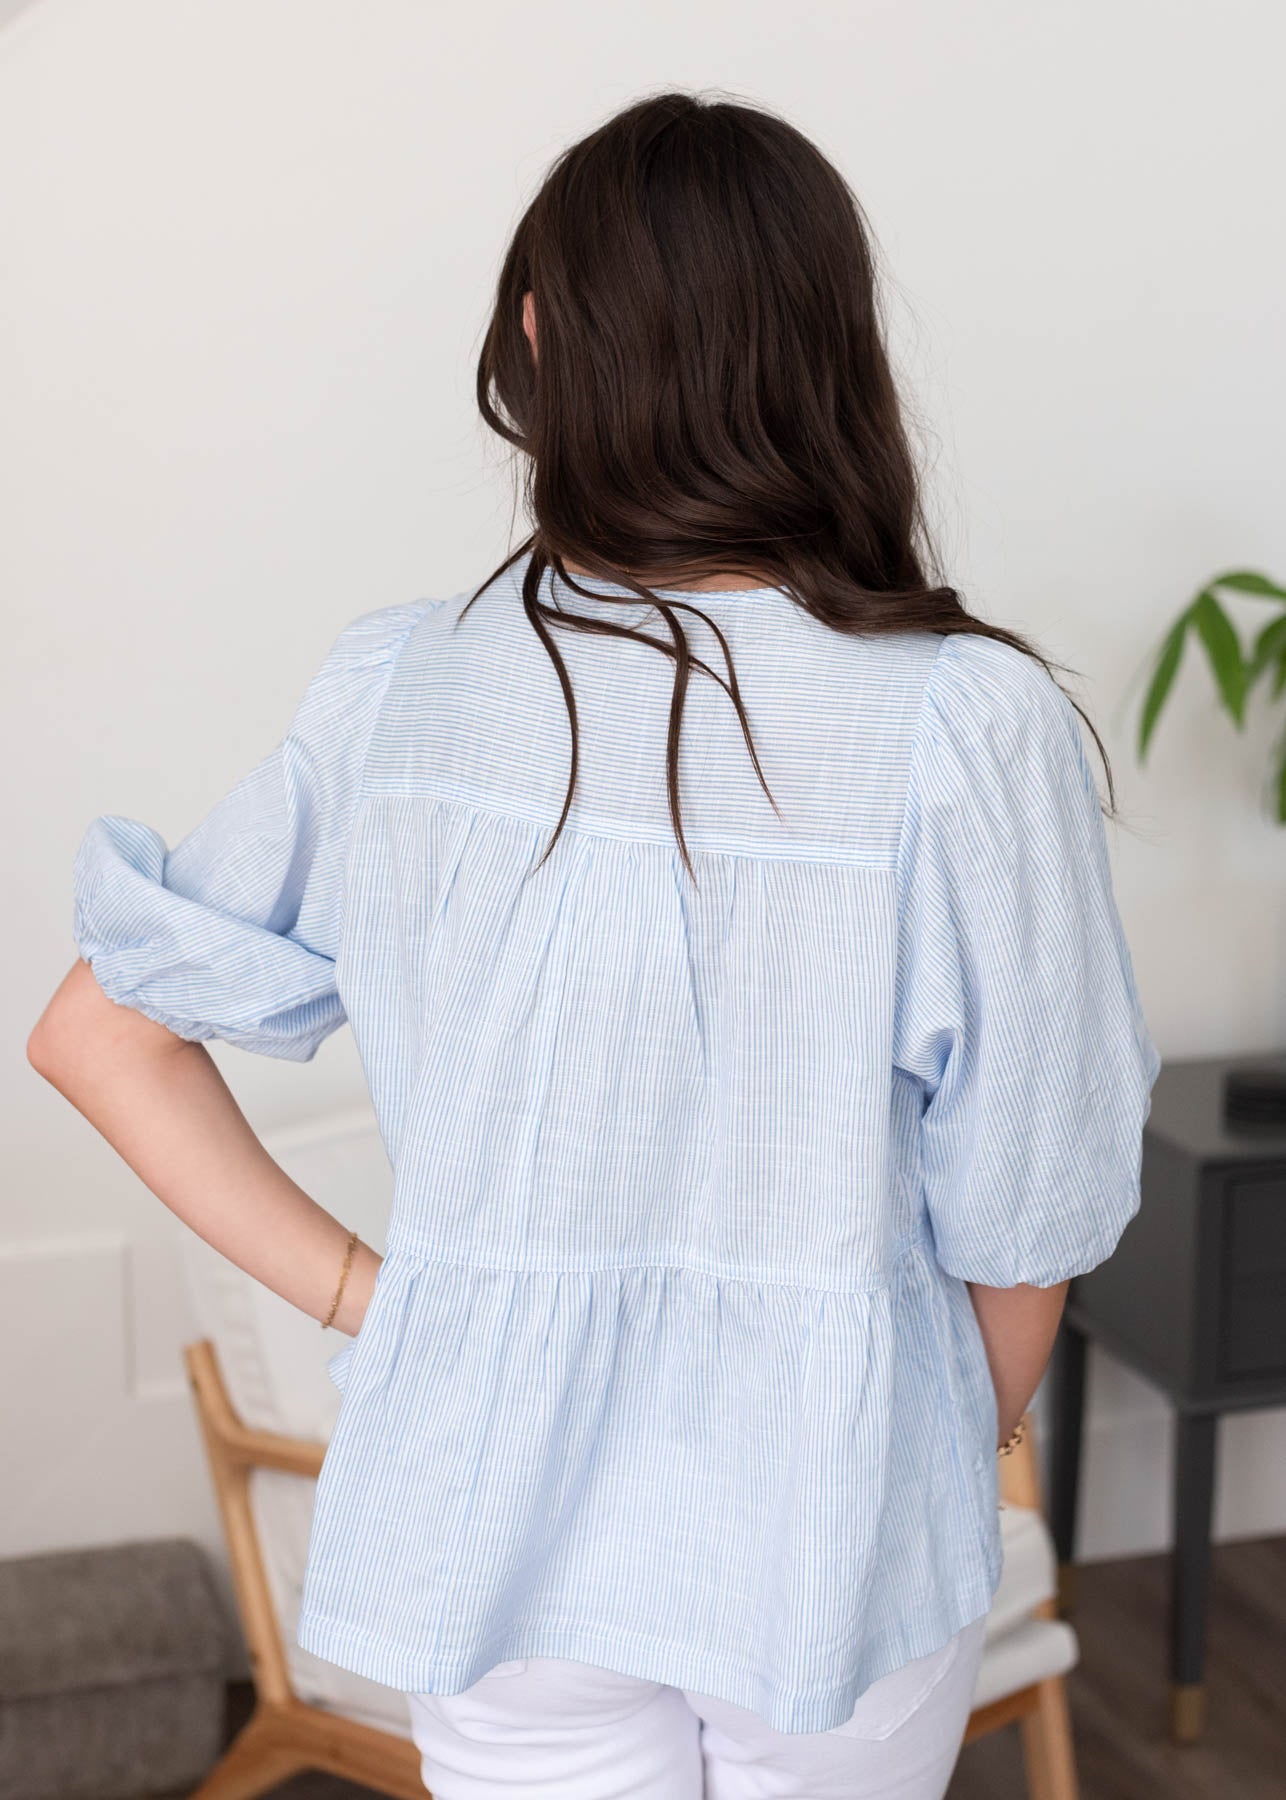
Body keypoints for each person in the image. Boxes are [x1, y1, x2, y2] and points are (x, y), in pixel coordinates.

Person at [28, 90, 1160, 1800]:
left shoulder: (405, 686)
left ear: (541, 336)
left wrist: (377, 1302)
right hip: (829, 1518)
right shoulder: (963, 726)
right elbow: (1033, 1207)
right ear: (828, 349)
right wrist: (948, 1438)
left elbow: (94, 1029)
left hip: (487, 1507)